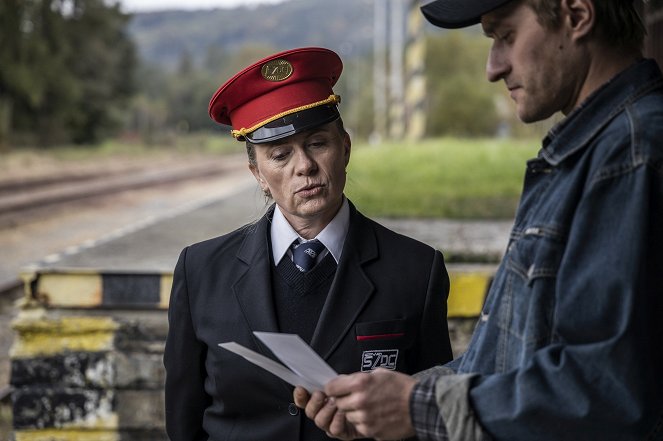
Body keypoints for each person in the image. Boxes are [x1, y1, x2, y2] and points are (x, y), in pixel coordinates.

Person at [295, 1, 663, 440]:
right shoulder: (589, 153)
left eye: (506, 36)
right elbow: (510, 357)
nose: (493, 68)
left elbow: (606, 388)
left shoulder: (631, 156)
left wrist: (416, 407)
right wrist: (394, 396)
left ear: (578, 15)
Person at [163, 47, 453, 441]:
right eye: (280, 155)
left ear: (345, 148)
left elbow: (430, 417)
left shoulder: (416, 270)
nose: (304, 166)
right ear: (258, 174)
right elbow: (184, 420)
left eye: (318, 143)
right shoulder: (200, 271)